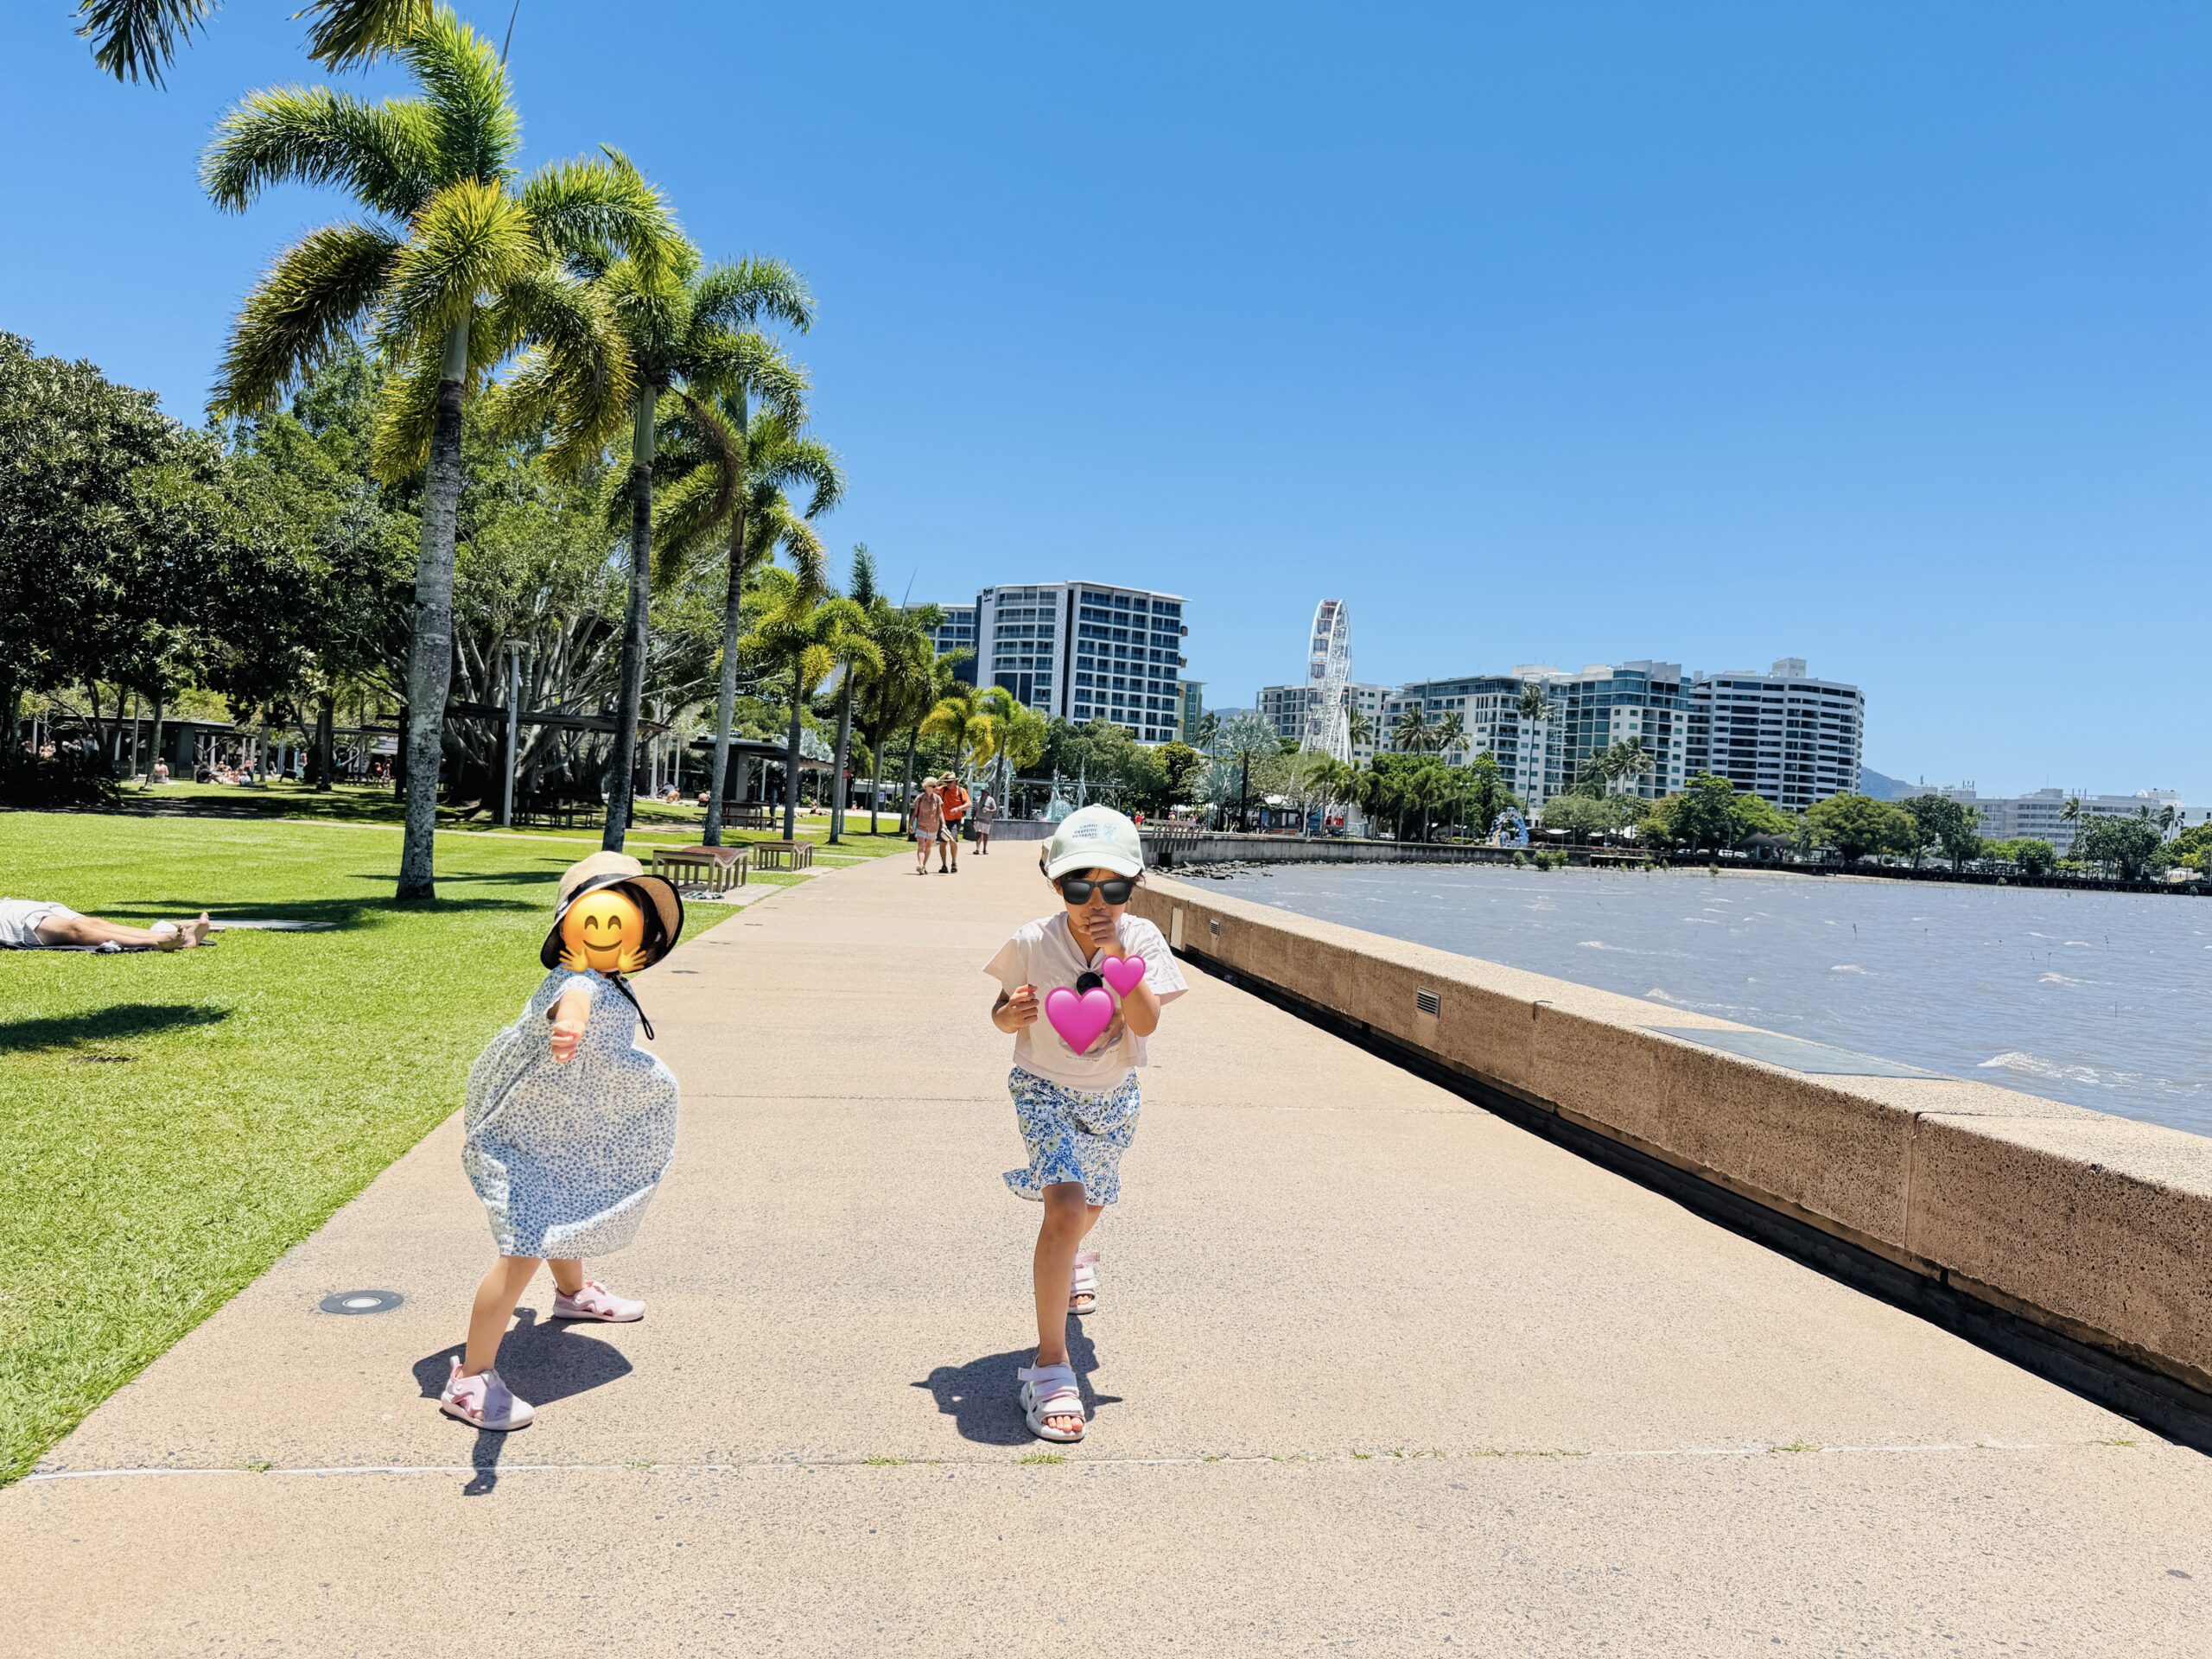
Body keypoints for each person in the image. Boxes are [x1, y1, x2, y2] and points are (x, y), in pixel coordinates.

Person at [442, 852, 685, 1432]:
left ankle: (573, 1293)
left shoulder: (607, 979)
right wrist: (569, 1025)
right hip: (522, 1132)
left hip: (558, 1127)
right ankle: (470, 1377)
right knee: (524, 1242)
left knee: (565, 1196)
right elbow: (570, 1003)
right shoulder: (579, 982)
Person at [984, 806, 1187, 1442]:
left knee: (1090, 1204)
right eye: (1078, 886)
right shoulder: (1030, 941)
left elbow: (1147, 1023)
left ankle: (1069, 1261)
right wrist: (1010, 1016)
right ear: (1055, 887)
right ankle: (1049, 1363)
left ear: (1133, 888)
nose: (1095, 901)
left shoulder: (1143, 940)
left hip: (1112, 1098)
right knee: (1067, 1209)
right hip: (1042, 1090)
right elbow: (999, 1012)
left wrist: (1117, 955)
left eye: (1113, 888)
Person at [0, 899, 211, 951]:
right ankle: (158, 940)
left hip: (11, 905)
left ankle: (183, 938)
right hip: (8, 919)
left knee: (93, 922)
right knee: (76, 930)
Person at [912, 777, 944, 875]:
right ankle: (921, 864)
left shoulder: (938, 798)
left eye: (936, 786)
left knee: (929, 846)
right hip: (922, 825)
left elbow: (940, 812)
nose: (935, 788)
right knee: (921, 846)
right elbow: (915, 813)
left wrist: (944, 824)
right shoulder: (920, 798)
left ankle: (923, 866)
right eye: (933, 786)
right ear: (926, 786)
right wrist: (911, 824)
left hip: (934, 826)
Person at [938, 773, 969, 872]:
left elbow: (969, 804)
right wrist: (941, 778)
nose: (948, 784)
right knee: (943, 843)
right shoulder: (943, 789)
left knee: (953, 840)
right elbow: (930, 787)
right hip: (944, 820)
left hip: (956, 820)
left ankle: (954, 863)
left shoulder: (961, 791)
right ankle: (944, 865)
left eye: (950, 782)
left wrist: (958, 808)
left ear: (955, 781)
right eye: (947, 782)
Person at [973, 790, 998, 855]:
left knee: (985, 835)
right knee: (978, 833)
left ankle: (984, 849)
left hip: (987, 820)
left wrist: (989, 810)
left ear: (987, 793)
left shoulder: (991, 800)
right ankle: (977, 849)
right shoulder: (977, 799)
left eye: (984, 792)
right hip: (979, 819)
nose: (982, 793)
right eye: (982, 792)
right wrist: (973, 818)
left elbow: (995, 809)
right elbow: (975, 810)